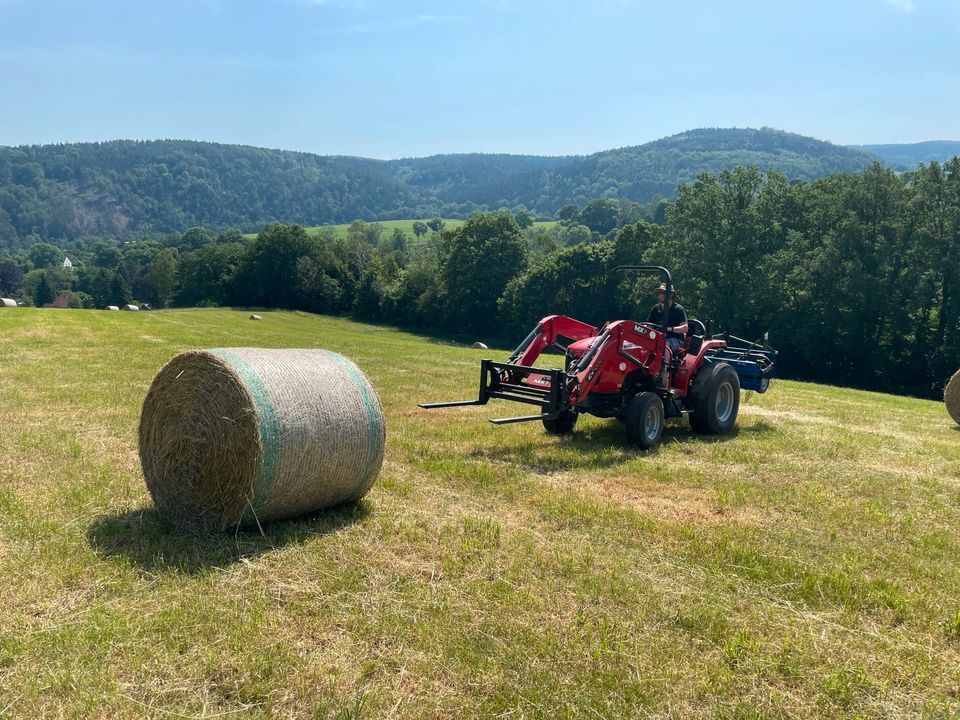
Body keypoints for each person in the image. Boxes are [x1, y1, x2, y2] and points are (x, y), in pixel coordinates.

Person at [647, 283, 688, 353]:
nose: (660, 295)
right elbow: (649, 326)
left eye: (663, 293)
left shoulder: (678, 309)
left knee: (664, 345)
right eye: (660, 293)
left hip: (675, 339)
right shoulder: (656, 308)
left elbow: (685, 328)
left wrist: (669, 329)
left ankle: (665, 364)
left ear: (671, 295)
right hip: (658, 337)